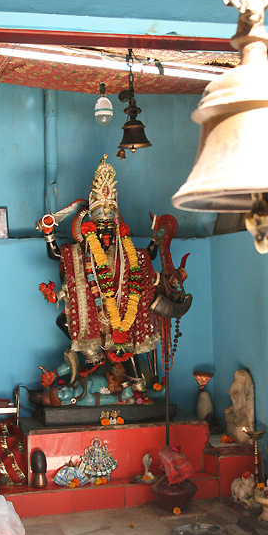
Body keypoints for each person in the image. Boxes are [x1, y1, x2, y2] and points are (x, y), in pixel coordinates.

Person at [36, 155, 192, 397]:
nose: (106, 235)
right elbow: (57, 254)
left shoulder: (127, 254)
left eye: (110, 230)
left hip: (123, 313)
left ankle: (138, 386)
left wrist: (156, 237)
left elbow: (147, 256)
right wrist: (49, 234)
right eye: (101, 230)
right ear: (91, 231)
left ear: (117, 231)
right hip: (94, 312)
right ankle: (93, 357)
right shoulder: (82, 253)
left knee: (126, 346)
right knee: (64, 322)